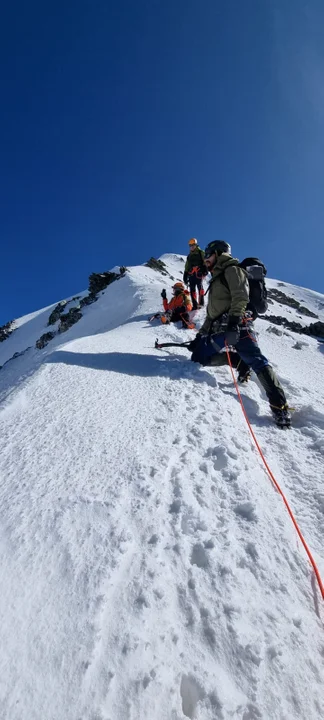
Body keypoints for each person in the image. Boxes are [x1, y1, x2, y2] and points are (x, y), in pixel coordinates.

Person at [188, 240, 291, 426]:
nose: (205, 258)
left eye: (209, 253)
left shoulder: (232, 270)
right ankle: (237, 360)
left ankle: (280, 406)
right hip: (219, 330)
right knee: (198, 357)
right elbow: (211, 315)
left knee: (257, 361)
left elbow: (241, 296)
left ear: (219, 253)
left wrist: (234, 322)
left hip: (239, 326)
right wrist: (199, 336)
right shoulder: (216, 278)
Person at [183, 238, 208, 310]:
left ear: (196, 245)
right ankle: (195, 304)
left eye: (193, 245)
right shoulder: (189, 256)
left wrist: (205, 269)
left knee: (200, 287)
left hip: (199, 272)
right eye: (190, 245)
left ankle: (201, 303)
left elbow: (205, 261)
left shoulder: (201, 252)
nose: (191, 247)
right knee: (192, 290)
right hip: (191, 274)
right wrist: (185, 274)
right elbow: (187, 266)